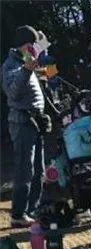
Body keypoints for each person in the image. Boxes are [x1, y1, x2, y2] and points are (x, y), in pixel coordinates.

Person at [2, 26, 51, 227]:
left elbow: (49, 74)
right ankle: (18, 214)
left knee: (39, 171)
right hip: (21, 122)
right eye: (31, 46)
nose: (33, 50)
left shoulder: (29, 62)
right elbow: (13, 93)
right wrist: (26, 70)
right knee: (25, 169)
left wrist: (44, 46)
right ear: (22, 45)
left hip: (36, 122)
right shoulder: (11, 65)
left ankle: (32, 211)